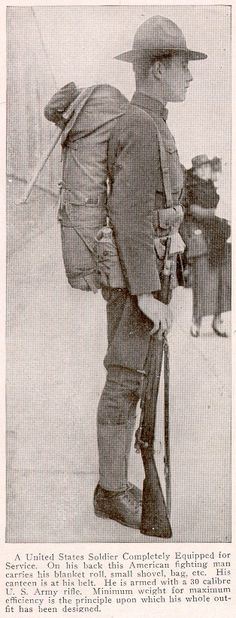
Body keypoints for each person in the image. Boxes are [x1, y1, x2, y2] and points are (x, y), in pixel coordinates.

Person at [93, 15, 207, 530]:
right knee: (125, 381)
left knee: (137, 380)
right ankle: (111, 491)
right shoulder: (140, 127)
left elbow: (157, 209)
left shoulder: (153, 122)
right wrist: (145, 296)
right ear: (159, 70)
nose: (189, 77)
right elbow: (129, 216)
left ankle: (116, 482)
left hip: (151, 279)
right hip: (139, 285)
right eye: (183, 66)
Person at [181, 155, 231, 337]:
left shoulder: (212, 187)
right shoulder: (191, 187)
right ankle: (197, 321)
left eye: (206, 167)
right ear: (194, 171)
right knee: (202, 282)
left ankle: (217, 320)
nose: (204, 171)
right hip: (199, 236)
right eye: (200, 168)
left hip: (217, 235)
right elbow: (193, 211)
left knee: (223, 281)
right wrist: (217, 213)